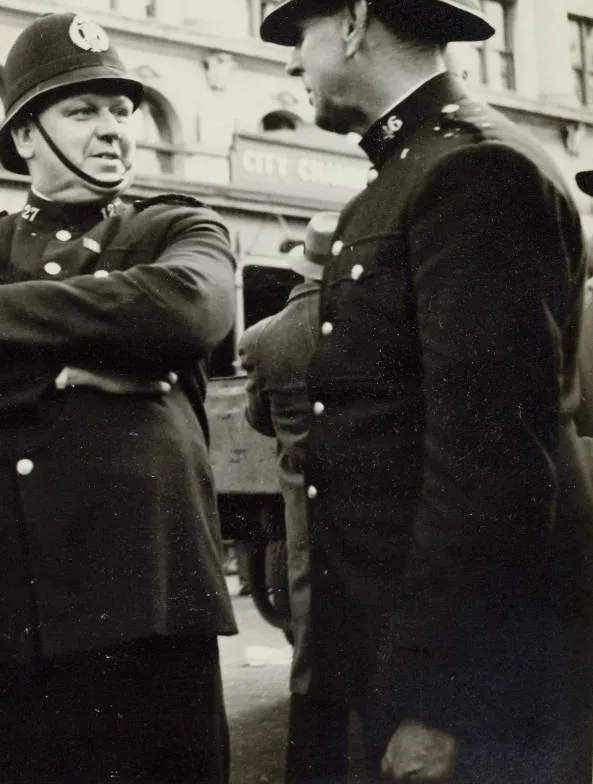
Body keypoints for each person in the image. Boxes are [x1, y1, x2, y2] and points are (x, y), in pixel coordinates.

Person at [259, 0, 593, 783]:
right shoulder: (406, 177)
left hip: (436, 689)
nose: (295, 61)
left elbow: (492, 463)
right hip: (374, 654)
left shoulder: (472, 175)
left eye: (301, 29)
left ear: (356, 20)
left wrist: (442, 702)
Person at [0, 12, 238, 784]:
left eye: (122, 109)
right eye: (83, 110)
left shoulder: (176, 225)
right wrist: (64, 368)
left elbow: (188, 307)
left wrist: (7, 312)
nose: (114, 130)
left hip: (143, 604)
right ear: (25, 134)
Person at [238, 211, 345, 784]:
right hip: (367, 501)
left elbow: (258, 418)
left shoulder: (265, 336)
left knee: (312, 645)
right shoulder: (364, 323)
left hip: (301, 504)